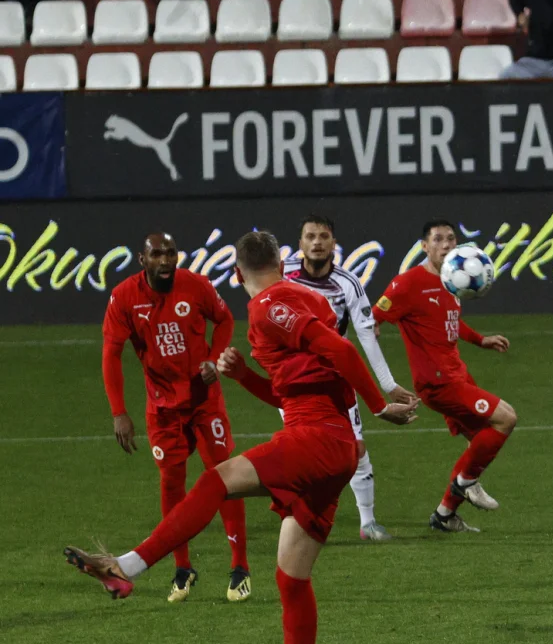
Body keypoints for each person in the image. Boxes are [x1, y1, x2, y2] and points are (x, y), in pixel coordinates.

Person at [66, 231, 417, 644]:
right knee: (291, 579)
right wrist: (244, 376)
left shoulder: (271, 307)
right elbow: (293, 393)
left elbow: (342, 352)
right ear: (281, 261)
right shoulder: (312, 300)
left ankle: (128, 566)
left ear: (235, 273)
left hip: (316, 439)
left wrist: (378, 407)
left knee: (215, 480)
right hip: (334, 445)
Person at [101, 232, 250, 603]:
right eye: (157, 254)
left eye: (170, 253)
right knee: (172, 485)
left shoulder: (196, 285)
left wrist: (213, 358)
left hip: (205, 402)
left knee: (226, 478)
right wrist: (119, 412)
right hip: (163, 408)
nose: (165, 260)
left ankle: (240, 568)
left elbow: (226, 320)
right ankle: (182, 568)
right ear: (142, 259)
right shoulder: (123, 297)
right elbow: (111, 355)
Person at [373, 219, 515, 533]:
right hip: (437, 381)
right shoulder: (407, 284)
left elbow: (450, 322)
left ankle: (445, 515)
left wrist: (481, 340)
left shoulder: (453, 278)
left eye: (451, 238)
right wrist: (378, 350)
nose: (447, 245)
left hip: (456, 373)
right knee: (505, 419)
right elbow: (374, 317)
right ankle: (467, 482)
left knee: (480, 443)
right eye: (438, 239)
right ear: (424, 246)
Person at [284, 215, 418, 542]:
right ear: (301, 243)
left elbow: (366, 334)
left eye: (324, 236)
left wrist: (387, 384)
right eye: (310, 236)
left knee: (355, 447)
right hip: (292, 382)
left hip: (336, 381)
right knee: (299, 452)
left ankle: (368, 523)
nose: (317, 242)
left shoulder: (348, 283)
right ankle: (300, 519)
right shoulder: (282, 275)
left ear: (333, 244)